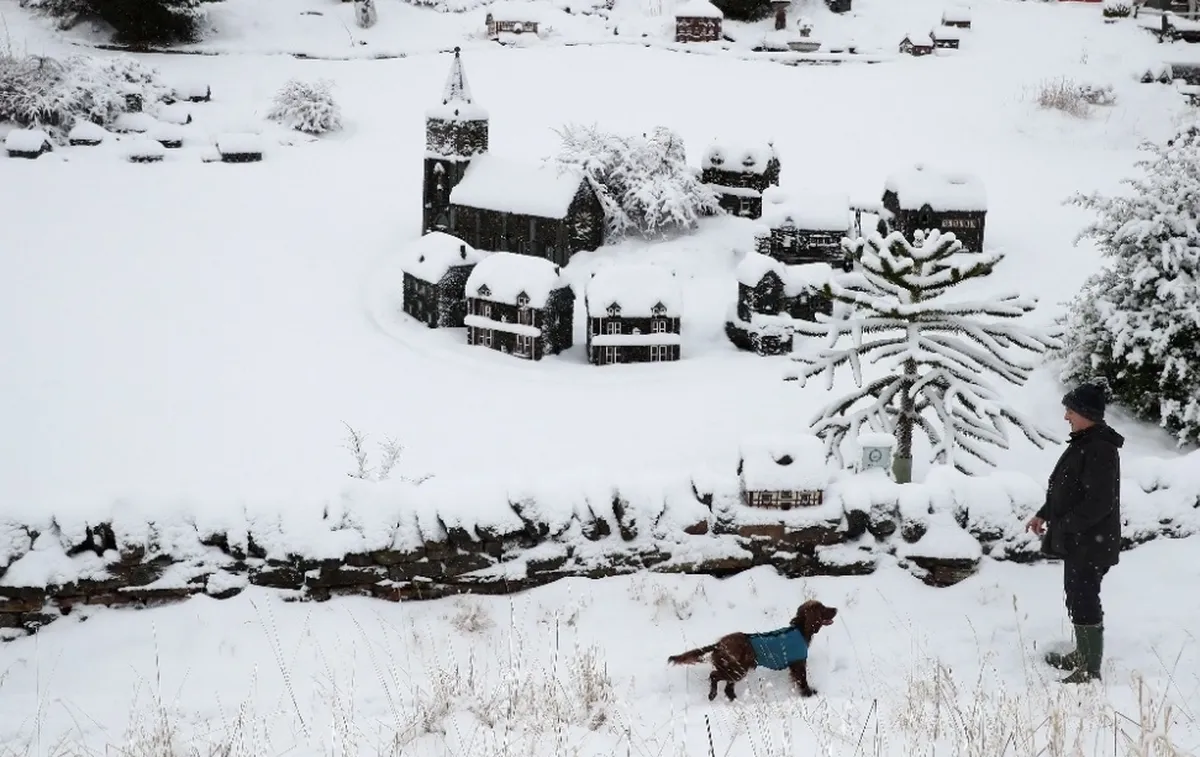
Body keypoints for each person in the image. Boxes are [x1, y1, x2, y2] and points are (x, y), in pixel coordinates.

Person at [1025, 383, 1124, 684]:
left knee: (1084, 598)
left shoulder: (1100, 449)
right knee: (1076, 595)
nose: (1066, 416)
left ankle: (1089, 668)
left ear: (1085, 413)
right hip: (1081, 540)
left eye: (1070, 410)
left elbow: (1098, 502)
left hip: (1090, 543)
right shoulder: (1084, 442)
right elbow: (1067, 491)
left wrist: (1064, 525)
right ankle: (1082, 654)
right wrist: (1045, 513)